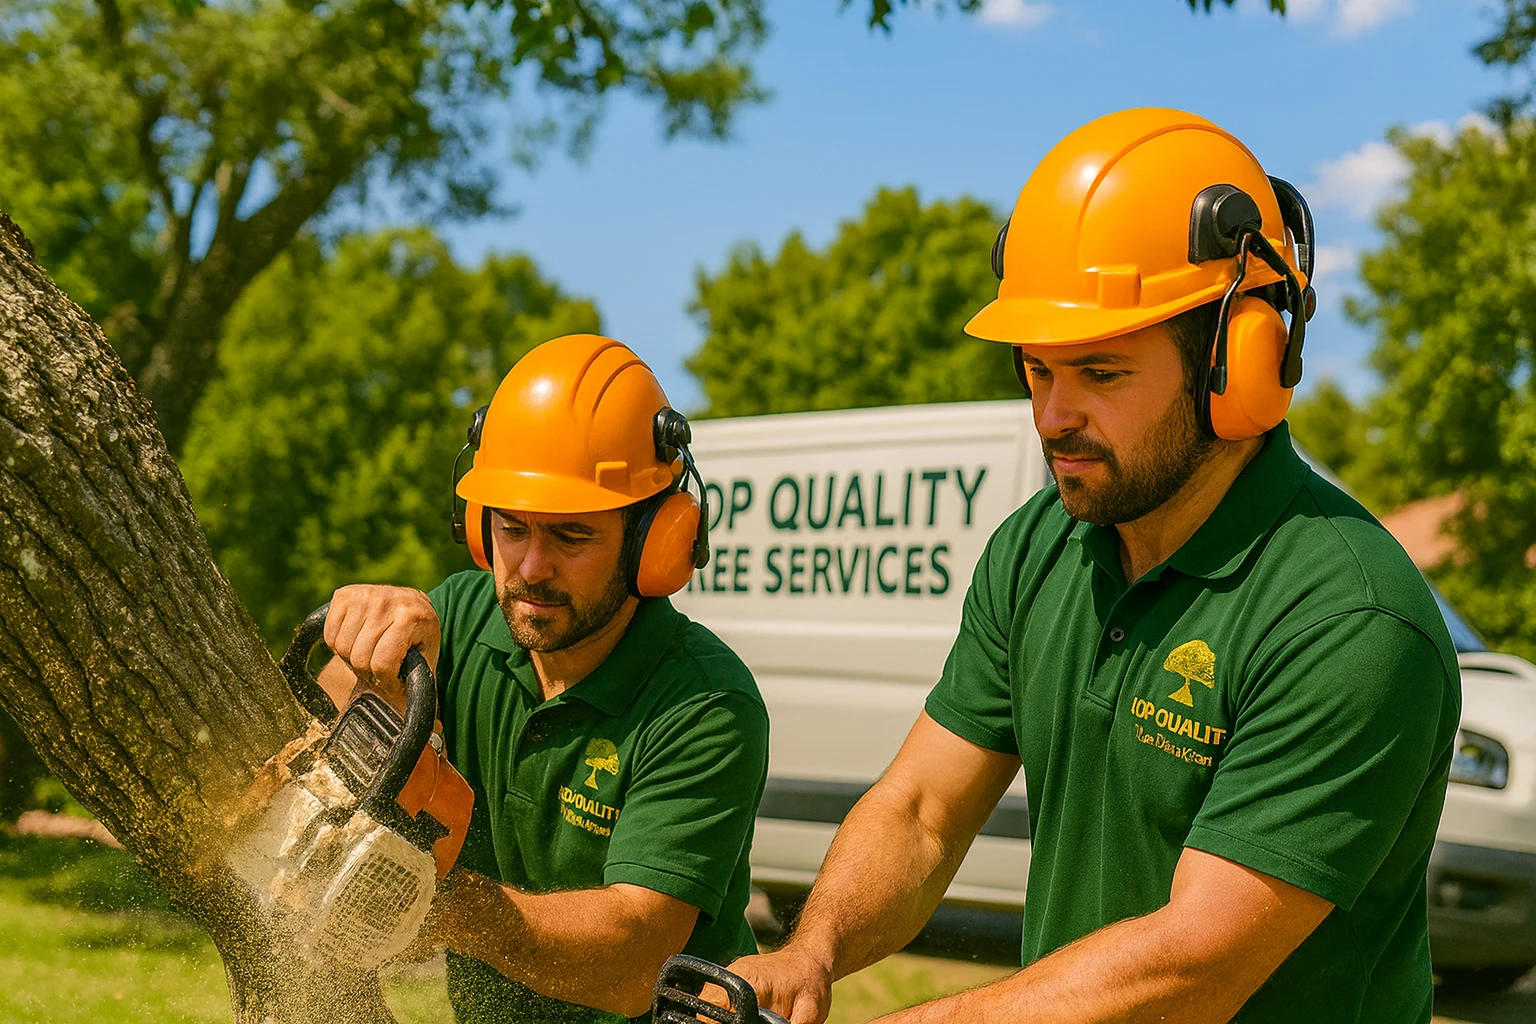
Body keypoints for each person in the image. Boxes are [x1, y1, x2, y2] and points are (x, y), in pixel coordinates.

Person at [730, 108, 1460, 1024]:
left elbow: (1193, 965)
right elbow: (921, 810)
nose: (1051, 417)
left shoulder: (1349, 620)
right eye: (1037, 370)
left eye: (1101, 374)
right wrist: (811, 954)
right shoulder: (1039, 548)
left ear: (1240, 361)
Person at [317, 334, 769, 1022]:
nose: (531, 568)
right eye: (512, 528)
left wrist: (426, 899)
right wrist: (376, 673)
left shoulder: (706, 704)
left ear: (654, 540)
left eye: (571, 535)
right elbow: (307, 734)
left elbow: (634, 960)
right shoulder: (459, 617)